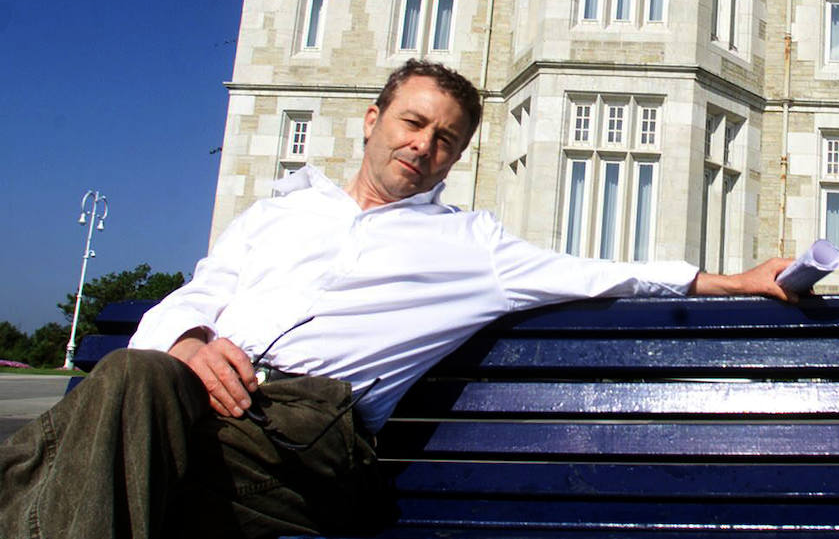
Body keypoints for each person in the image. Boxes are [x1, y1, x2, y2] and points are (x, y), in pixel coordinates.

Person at [0, 60, 794, 539]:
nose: (423, 145)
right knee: (133, 386)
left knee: (99, 410)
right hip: (182, 408)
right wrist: (187, 343)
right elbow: (199, 293)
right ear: (374, 118)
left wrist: (733, 281)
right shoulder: (281, 211)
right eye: (413, 122)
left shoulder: (472, 248)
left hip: (296, 444)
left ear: (457, 157)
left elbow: (604, 271)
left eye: (445, 139)